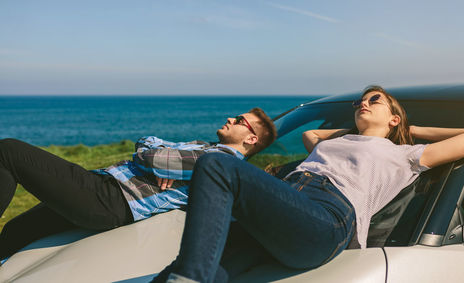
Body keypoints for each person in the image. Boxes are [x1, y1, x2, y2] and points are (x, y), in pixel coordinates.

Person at [151, 86, 464, 283]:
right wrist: (356, 131)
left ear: (394, 117)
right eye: (360, 101)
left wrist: (406, 130)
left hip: (327, 218)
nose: (363, 104)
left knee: (216, 164)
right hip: (287, 208)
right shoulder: (336, 143)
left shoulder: (404, 154)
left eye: (374, 101)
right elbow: (311, 134)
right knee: (171, 274)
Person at [0, 108, 277, 260]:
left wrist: (156, 157)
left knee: (9, 151)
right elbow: (148, 145)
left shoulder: (218, 161)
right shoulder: (206, 148)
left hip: (107, 198)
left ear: (251, 139)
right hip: (104, 189)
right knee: (16, 230)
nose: (230, 118)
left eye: (240, 121)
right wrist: (155, 157)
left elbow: (151, 156)